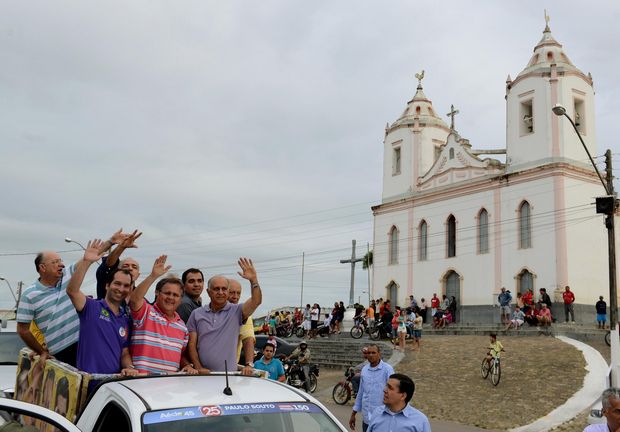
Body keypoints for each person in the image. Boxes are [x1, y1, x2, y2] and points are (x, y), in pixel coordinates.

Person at [16, 240, 110, 367]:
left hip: (87, 342)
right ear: (42, 268)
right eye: (55, 262)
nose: (61, 265)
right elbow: (23, 330)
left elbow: (90, 257)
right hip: (60, 354)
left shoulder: (67, 275)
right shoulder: (29, 295)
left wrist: (111, 241)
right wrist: (41, 351)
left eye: (60, 261)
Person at [65, 239, 137, 376]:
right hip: (88, 384)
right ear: (107, 285)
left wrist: (130, 367)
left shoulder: (126, 318)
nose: (121, 289)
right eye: (117, 284)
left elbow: (124, 352)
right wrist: (86, 262)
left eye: (126, 286)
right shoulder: (91, 307)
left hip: (111, 385)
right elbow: (72, 291)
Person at [187, 258, 262, 374]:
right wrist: (198, 367)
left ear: (227, 291)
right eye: (216, 289)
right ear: (208, 292)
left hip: (228, 377)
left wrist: (254, 280)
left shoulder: (237, 311)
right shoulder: (196, 314)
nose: (220, 292)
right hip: (202, 376)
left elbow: (256, 301)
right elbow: (191, 344)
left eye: (224, 289)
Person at [129, 255, 196, 374]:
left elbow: (180, 356)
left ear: (181, 299)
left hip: (167, 387)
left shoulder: (182, 327)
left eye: (175, 295)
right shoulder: (146, 312)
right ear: (157, 293)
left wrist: (187, 366)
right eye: (167, 293)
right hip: (139, 384)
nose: (171, 297)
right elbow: (134, 299)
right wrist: (153, 276)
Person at [350, 344, 395, 432]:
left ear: (379, 354)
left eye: (373, 353)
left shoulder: (387, 369)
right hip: (366, 419)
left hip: (382, 419)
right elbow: (361, 392)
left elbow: (393, 392)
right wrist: (353, 413)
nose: (370, 355)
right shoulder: (364, 370)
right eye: (369, 353)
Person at [95, 229, 142, 301]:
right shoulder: (108, 286)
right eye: (125, 266)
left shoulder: (141, 299)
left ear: (138, 275)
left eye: (134, 267)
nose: (130, 268)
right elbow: (108, 265)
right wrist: (121, 247)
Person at [228, 279, 255, 375]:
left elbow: (248, 339)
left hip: (229, 370)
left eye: (238, 293)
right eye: (231, 293)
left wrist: (249, 364)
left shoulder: (242, 313)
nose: (235, 297)